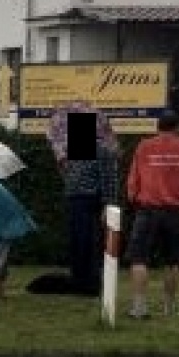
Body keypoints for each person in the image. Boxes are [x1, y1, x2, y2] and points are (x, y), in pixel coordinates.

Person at [125, 110, 179, 318]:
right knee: (173, 262)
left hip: (147, 210)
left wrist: (133, 197)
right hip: (174, 212)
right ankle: (169, 308)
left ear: (157, 127)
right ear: (177, 127)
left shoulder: (144, 146)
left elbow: (133, 179)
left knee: (139, 259)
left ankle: (139, 308)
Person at [53, 110, 121, 296]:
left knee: (89, 242)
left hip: (90, 200)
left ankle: (90, 283)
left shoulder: (102, 149)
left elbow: (109, 178)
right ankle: (78, 280)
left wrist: (108, 204)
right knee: (76, 242)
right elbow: (71, 175)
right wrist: (63, 168)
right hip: (74, 199)